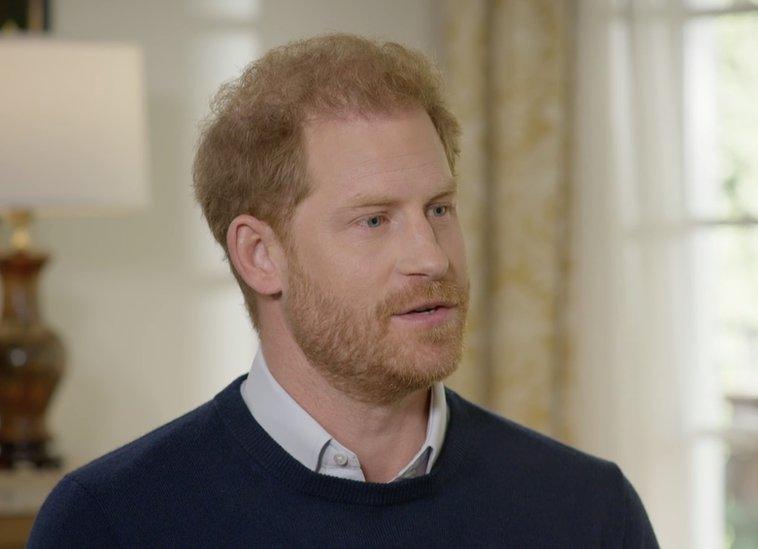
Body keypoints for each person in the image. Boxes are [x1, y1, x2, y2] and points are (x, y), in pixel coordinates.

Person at [28, 33, 659, 548]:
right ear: (260, 255)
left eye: (439, 209)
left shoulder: (589, 512)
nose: (430, 257)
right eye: (375, 220)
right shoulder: (110, 523)